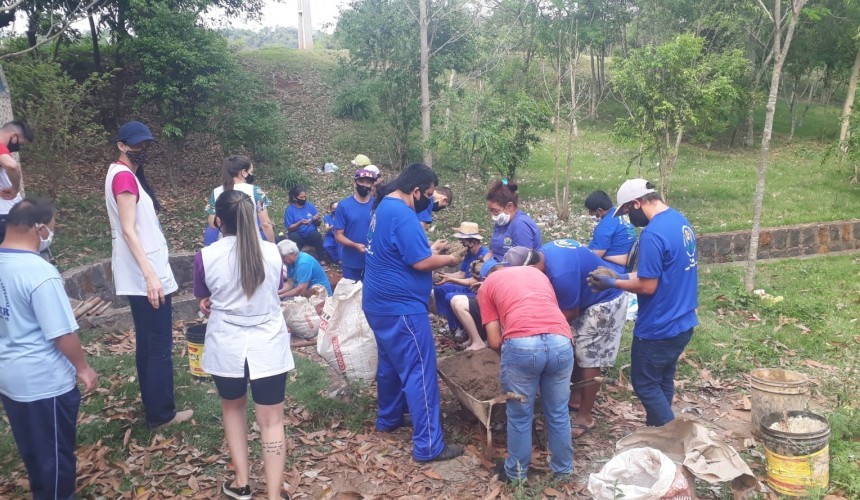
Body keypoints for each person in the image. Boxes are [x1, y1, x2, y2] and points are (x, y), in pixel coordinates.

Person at [193, 190, 294, 500]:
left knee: (233, 409)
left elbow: (204, 296)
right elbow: (276, 287)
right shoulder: (273, 253)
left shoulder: (205, 256)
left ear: (218, 221)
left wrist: (212, 302)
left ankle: (242, 482)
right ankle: (275, 495)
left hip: (227, 342)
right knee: (272, 419)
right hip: (268, 343)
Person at [363, 163, 464, 462]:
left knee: (391, 365)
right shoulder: (403, 215)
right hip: (401, 308)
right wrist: (448, 259)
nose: (430, 200)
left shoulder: (383, 208)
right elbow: (420, 262)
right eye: (429, 194)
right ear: (416, 190)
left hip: (377, 304)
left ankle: (389, 418)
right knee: (420, 371)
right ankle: (429, 445)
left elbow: (403, 253)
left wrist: (431, 252)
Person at [0, 198, 98, 499]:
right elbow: (61, 333)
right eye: (51, 228)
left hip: (10, 377)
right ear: (38, 228)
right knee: (55, 457)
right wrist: (83, 368)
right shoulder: (39, 273)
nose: (51, 234)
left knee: (32, 450)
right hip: (43, 381)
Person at [104, 121, 193, 429]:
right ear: (121, 145)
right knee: (158, 345)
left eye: (145, 146)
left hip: (142, 273)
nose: (141, 151)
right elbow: (129, 230)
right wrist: (150, 275)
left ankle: (155, 407)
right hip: (146, 276)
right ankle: (162, 414)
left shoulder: (123, 175)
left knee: (148, 343)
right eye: (136, 145)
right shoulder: (124, 178)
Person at [588, 179, 698, 427]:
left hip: (659, 325)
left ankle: (671, 436)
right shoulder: (679, 221)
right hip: (683, 319)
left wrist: (613, 284)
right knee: (662, 381)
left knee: (645, 383)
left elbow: (648, 286)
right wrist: (621, 276)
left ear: (637, 203)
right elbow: (659, 272)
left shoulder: (652, 233)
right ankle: (656, 433)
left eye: (627, 211)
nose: (628, 218)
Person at [504, 241, 628, 438]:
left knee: (588, 356)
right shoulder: (544, 256)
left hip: (604, 299)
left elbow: (570, 312)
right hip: (582, 297)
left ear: (533, 268)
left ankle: (585, 415)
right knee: (574, 345)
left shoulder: (561, 275)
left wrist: (539, 329)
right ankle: (576, 398)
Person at [477, 259, 574, 483]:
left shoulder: (487, 285)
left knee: (520, 415)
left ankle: (516, 475)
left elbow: (493, 341)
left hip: (522, 344)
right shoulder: (537, 274)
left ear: (486, 275)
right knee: (558, 412)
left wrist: (513, 361)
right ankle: (563, 471)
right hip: (561, 341)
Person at [432, 221, 488, 349]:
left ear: (472, 241)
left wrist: (451, 280)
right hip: (465, 284)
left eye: (463, 239)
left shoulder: (483, 255)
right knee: (440, 289)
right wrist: (446, 276)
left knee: (450, 296)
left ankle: (462, 328)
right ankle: (451, 323)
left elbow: (474, 281)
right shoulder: (468, 253)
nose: (461, 242)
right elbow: (462, 274)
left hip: (474, 289)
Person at [205, 155, 276, 245]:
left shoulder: (216, 192)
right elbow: (266, 223)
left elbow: (212, 224)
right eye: (251, 172)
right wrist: (272, 245)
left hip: (225, 245)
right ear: (243, 172)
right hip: (252, 244)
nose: (251, 175)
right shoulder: (257, 192)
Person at [333, 169, 377, 281]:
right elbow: (338, 235)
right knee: (351, 295)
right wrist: (354, 245)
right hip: (351, 261)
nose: (365, 185)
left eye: (368, 182)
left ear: (372, 185)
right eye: (361, 181)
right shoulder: (343, 205)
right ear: (354, 183)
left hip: (373, 261)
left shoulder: (377, 204)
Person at [485, 179, 541, 260]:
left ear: (509, 206)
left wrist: (493, 268)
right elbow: (493, 250)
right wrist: (483, 263)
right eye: (491, 211)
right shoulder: (501, 223)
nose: (493, 214)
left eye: (496, 210)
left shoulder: (520, 225)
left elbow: (523, 263)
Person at [584, 190, 636, 273]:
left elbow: (595, 255)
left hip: (615, 268)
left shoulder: (605, 226)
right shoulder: (621, 214)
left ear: (599, 211)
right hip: (626, 261)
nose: (590, 214)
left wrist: (583, 251)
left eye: (591, 211)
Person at [0, 121, 34, 243]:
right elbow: (12, 166)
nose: (18, 148)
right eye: (20, 143)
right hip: (4, 213)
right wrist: (15, 188)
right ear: (13, 136)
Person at [283, 185, 328, 264]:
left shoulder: (309, 206)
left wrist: (316, 220)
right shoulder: (290, 210)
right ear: (295, 198)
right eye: (301, 197)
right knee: (294, 237)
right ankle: (297, 261)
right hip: (297, 234)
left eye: (305, 197)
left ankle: (322, 259)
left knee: (317, 235)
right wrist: (300, 223)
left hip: (309, 233)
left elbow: (318, 224)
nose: (304, 199)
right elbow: (289, 227)